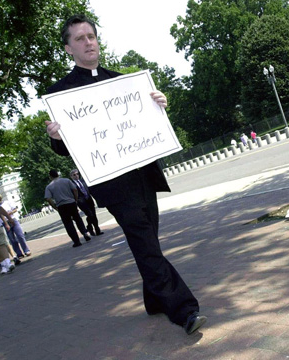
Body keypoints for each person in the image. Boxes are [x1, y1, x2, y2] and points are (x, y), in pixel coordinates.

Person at [43, 14, 206, 335]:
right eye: (80, 38)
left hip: (143, 174)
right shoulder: (61, 95)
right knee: (143, 239)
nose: (88, 42)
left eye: (91, 36)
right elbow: (65, 151)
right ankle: (183, 309)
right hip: (113, 185)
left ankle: (154, 299)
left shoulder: (126, 82)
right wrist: (56, 137)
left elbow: (148, 123)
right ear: (68, 48)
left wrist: (159, 104)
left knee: (149, 239)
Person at [45, 169, 91, 247]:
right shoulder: (66, 180)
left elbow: (48, 198)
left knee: (68, 224)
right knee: (77, 219)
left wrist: (55, 206)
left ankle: (76, 241)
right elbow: (75, 189)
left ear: (50, 176)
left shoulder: (49, 186)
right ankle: (84, 233)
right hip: (71, 202)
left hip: (61, 206)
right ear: (58, 174)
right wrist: (75, 199)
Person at [0, 194, 31, 258]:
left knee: (20, 235)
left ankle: (26, 250)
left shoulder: (7, 203)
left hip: (13, 220)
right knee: (12, 239)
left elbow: (15, 209)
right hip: (5, 222)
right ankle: (19, 253)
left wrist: (9, 213)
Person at [70, 169, 104, 236]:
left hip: (89, 200)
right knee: (90, 214)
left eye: (77, 174)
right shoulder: (71, 184)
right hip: (81, 202)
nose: (76, 176)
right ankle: (89, 227)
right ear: (71, 176)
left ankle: (97, 230)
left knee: (94, 215)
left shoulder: (83, 181)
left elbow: (89, 190)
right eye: (74, 175)